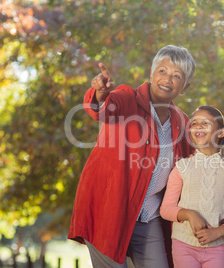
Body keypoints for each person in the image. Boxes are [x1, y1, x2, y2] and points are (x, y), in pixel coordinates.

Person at [68, 45, 196, 268]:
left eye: (177, 76)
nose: (167, 79)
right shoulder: (127, 99)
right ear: (151, 73)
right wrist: (100, 93)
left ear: (185, 86)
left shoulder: (182, 123)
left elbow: (193, 168)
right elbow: (104, 109)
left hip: (150, 216)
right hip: (109, 211)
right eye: (162, 71)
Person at [160, 105, 224, 268]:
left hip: (217, 247)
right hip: (183, 244)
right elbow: (166, 209)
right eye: (194, 123)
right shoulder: (182, 167)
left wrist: (218, 232)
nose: (198, 126)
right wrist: (189, 214)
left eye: (205, 123)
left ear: (221, 132)